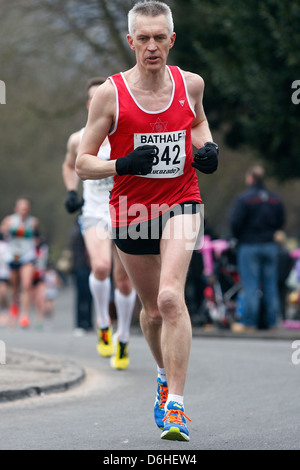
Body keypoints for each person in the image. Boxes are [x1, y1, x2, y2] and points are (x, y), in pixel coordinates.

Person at [75, 1, 218, 442]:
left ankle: (175, 406)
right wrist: (122, 163)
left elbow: (198, 122)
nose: (152, 46)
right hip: (132, 210)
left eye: (160, 37)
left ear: (171, 40)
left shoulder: (190, 84)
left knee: (172, 298)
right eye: (144, 38)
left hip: (181, 200)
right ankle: (162, 375)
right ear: (130, 41)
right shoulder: (110, 94)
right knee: (152, 311)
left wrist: (207, 147)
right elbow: (82, 162)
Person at [62, 77, 137, 370]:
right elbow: (70, 165)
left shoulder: (127, 134)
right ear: (88, 104)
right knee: (101, 268)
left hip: (128, 211)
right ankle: (103, 323)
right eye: (92, 98)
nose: (97, 102)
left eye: (102, 98)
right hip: (94, 211)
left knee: (124, 281)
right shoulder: (77, 138)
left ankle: (123, 337)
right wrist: (71, 191)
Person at [230, 165, 285, 332]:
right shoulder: (275, 199)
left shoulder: (244, 199)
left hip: (249, 245)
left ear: (250, 179)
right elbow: (280, 221)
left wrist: (239, 238)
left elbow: (235, 223)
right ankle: (272, 323)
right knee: (270, 285)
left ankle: (249, 322)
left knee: (250, 285)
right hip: (269, 245)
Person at [0, 198, 39, 328]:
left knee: (27, 285)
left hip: (27, 256)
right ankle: (13, 307)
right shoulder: (9, 220)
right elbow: (3, 234)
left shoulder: (33, 222)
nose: (24, 210)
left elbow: (38, 238)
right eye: (21, 207)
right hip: (13, 256)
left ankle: (25, 314)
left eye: (26, 207)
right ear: (16, 209)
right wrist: (6, 231)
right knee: (14, 287)